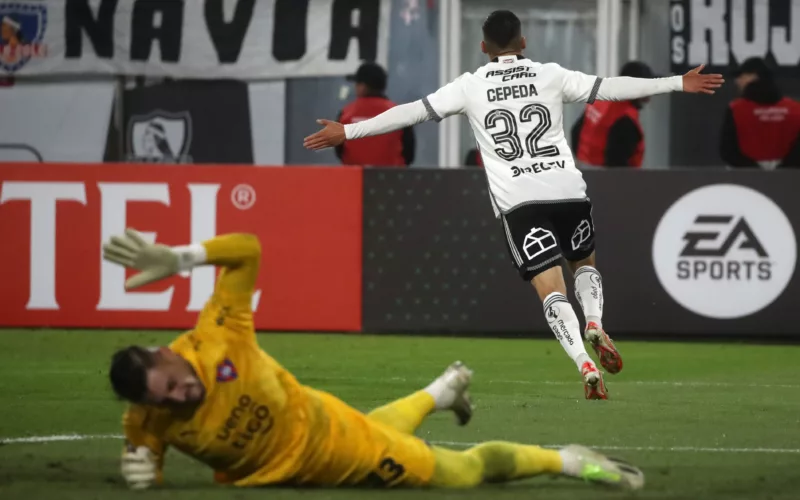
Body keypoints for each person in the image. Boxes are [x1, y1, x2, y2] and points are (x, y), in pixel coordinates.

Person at [304, 10, 723, 399]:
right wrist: (676, 82)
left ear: (483, 47)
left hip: (519, 202)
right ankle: (594, 321)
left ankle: (583, 365)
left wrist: (349, 132)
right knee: (586, 264)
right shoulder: (551, 75)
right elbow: (610, 88)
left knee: (549, 289)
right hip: (567, 191)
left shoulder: (469, 86)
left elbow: (412, 113)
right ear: (523, 41)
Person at [103, 229, 644, 491]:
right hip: (315, 431)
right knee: (371, 426)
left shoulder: (216, 339)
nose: (177, 398)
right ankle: (442, 393)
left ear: (165, 355)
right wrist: (141, 471)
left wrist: (181, 258)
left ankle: (567, 460)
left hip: (339, 451)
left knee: (461, 474)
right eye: (163, 401)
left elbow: (247, 249)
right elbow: (144, 461)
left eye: (170, 384)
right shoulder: (146, 417)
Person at [571, 61, 658, 168]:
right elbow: (617, 166)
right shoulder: (626, 120)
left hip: (583, 170)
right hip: (606, 180)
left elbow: (576, 132)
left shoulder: (600, 100)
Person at [720, 57, 800, 169]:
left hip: (743, 177)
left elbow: (728, 151)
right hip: (790, 178)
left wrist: (755, 171)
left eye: (741, 76)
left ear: (754, 76)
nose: (737, 81)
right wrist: (782, 170)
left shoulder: (736, 109)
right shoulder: (795, 109)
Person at [335, 62, 415, 167]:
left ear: (362, 87)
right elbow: (409, 154)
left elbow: (339, 150)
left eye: (357, 84)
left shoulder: (345, 114)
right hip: (392, 179)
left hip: (355, 179)